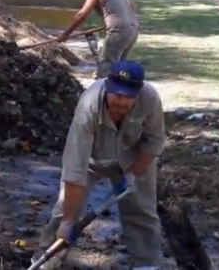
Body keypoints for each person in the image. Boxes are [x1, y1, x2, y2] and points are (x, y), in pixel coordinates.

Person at [37, 60, 165, 270]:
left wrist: (133, 174)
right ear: (107, 85)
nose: (122, 102)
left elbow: (154, 142)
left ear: (138, 92)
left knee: (142, 210)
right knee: (64, 212)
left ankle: (146, 265)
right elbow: (75, 168)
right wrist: (69, 221)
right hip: (91, 159)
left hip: (132, 157)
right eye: (117, 94)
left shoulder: (149, 99)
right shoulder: (89, 106)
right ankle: (45, 262)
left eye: (129, 96)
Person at [57, 0, 139, 78]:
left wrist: (65, 34)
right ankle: (119, 91)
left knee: (106, 66)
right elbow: (133, 8)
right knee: (119, 67)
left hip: (118, 31)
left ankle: (105, 92)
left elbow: (81, 15)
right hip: (133, 29)